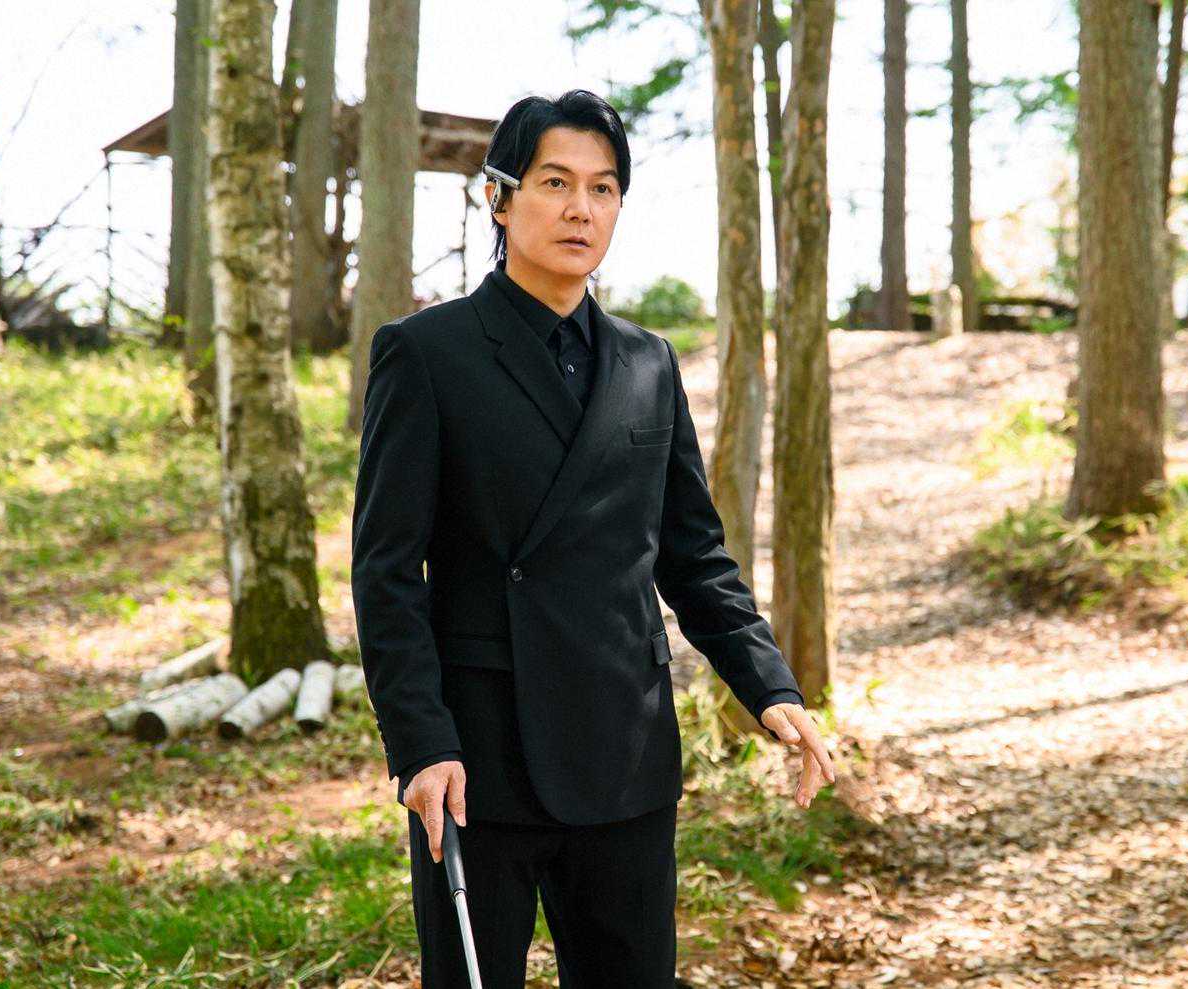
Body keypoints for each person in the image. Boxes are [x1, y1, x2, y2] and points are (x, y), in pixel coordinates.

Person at [350, 88, 836, 989]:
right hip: (478, 761)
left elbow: (694, 556)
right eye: (555, 182)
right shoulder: (426, 353)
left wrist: (769, 685)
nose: (581, 208)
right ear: (499, 198)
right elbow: (386, 572)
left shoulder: (649, 361)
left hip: (626, 750)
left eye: (603, 188)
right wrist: (420, 740)